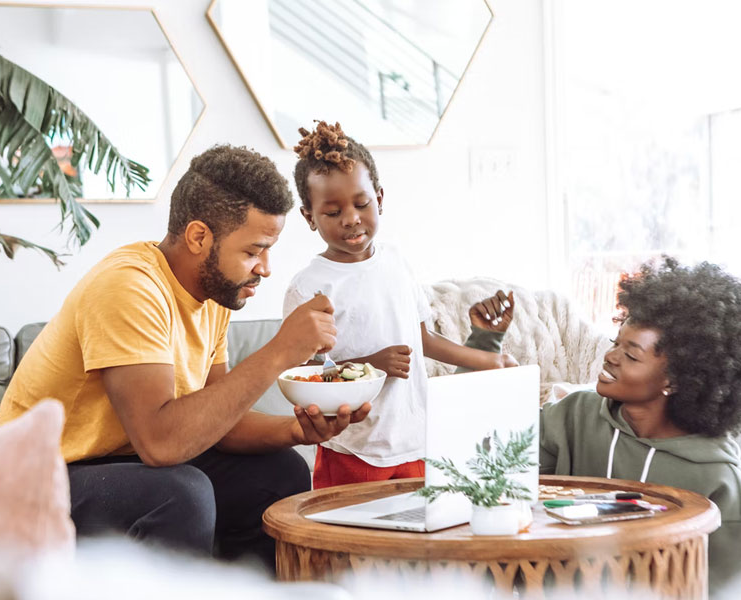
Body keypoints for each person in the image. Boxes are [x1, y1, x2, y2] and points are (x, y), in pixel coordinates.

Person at [0, 145, 370, 571]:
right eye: (253, 250)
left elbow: (218, 423)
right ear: (198, 237)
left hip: (126, 463)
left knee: (280, 472)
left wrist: (298, 431)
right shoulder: (129, 288)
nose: (265, 267)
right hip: (33, 481)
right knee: (181, 492)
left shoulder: (216, 294)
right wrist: (282, 349)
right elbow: (160, 442)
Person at [462, 257, 741, 592]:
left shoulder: (716, 473)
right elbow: (482, 454)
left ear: (677, 380)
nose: (611, 357)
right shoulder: (574, 415)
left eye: (632, 354)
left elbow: (722, 586)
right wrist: (482, 344)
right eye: (615, 343)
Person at [282, 121, 516, 489]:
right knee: (350, 543)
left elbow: (421, 338)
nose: (351, 218)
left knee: (417, 539)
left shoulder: (396, 261)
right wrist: (368, 367)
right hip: (353, 450)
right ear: (309, 217)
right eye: (332, 212)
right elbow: (303, 373)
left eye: (362, 203)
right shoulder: (309, 287)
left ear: (380, 198)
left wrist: (490, 360)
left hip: (417, 443)